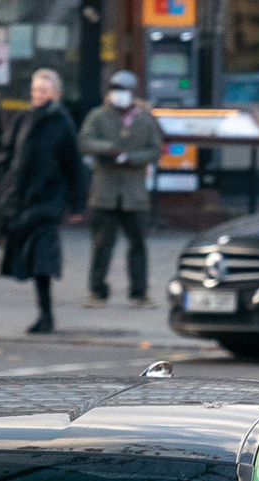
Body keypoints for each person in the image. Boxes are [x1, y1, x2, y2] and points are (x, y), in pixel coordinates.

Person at [0, 68, 87, 335]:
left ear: (55, 93)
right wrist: (5, 186)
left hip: (48, 200)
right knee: (30, 258)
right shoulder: (22, 119)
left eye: (44, 91)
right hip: (22, 199)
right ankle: (44, 314)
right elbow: (7, 154)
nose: (38, 95)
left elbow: (75, 166)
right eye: (35, 90)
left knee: (43, 259)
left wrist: (77, 204)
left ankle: (46, 316)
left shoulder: (62, 123)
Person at [79, 70, 165, 309]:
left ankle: (139, 292)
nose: (119, 95)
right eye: (115, 90)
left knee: (138, 244)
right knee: (101, 244)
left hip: (134, 194)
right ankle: (97, 291)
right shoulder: (98, 116)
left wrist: (132, 158)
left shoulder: (145, 119)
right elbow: (85, 141)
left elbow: (155, 150)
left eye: (124, 91)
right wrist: (109, 149)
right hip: (104, 192)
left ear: (133, 93)